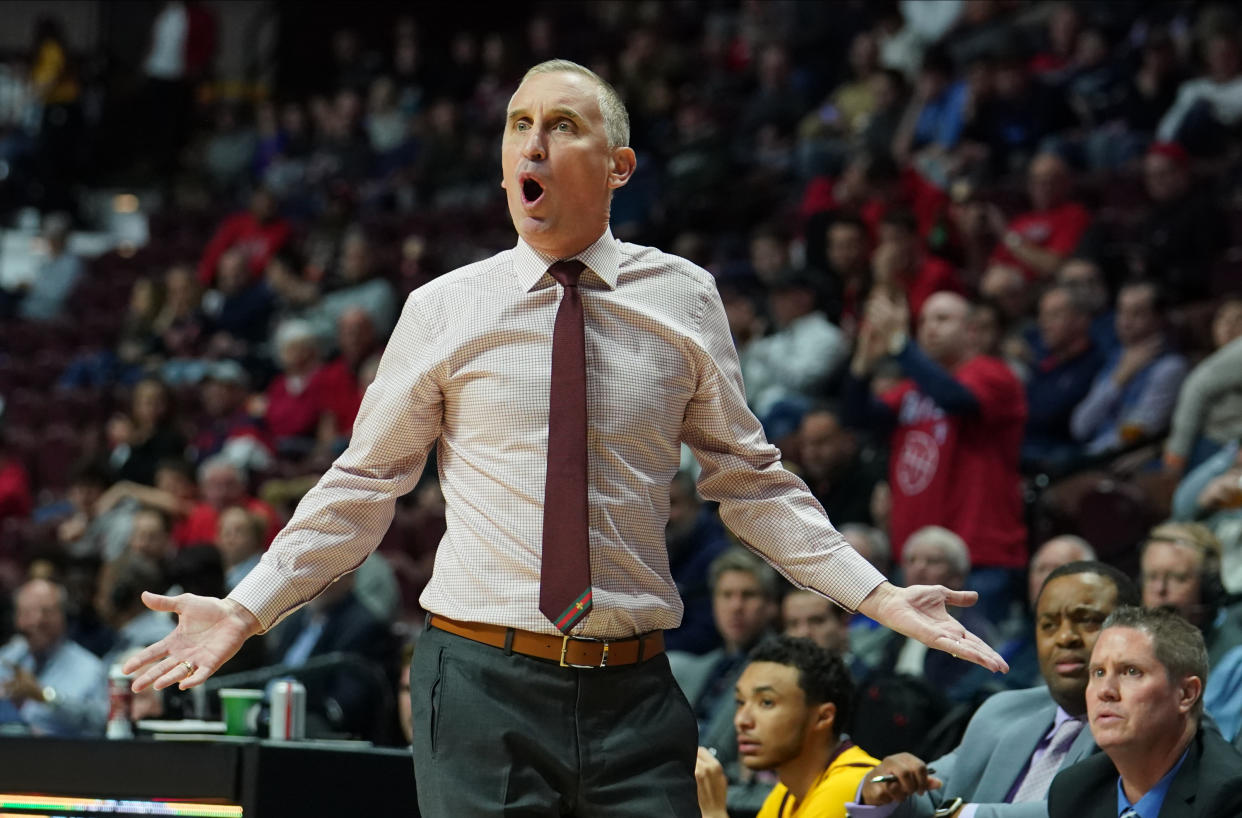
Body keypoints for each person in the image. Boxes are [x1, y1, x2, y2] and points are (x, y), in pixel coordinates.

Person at [124, 59, 1005, 816]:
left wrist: (877, 594)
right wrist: (245, 609)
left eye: (561, 125)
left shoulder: (684, 297)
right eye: (518, 125)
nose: (531, 144)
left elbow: (753, 483)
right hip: (479, 680)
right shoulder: (443, 306)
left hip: (636, 689)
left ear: (618, 164)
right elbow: (364, 487)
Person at [852, 561, 1140, 818]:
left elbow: (1087, 810)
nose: (1065, 637)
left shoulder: (1144, 723)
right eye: (1048, 624)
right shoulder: (1003, 711)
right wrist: (883, 791)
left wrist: (963, 814)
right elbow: (929, 795)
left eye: (1087, 620)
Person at [846, 290, 1027, 623]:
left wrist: (900, 345)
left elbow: (957, 400)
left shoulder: (992, 373)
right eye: (924, 320)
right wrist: (863, 362)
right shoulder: (913, 389)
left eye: (943, 319)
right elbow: (857, 419)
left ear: (972, 331)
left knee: (975, 664)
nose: (929, 328)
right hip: (915, 560)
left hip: (977, 556)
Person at [1047, 606, 1242, 818]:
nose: (1105, 691)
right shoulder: (1074, 790)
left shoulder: (1230, 797)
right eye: (1098, 672)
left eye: (1131, 671)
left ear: (1186, 694)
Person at [695, 636, 880, 818]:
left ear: (823, 717)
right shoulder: (787, 791)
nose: (741, 720)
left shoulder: (848, 788)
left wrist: (714, 814)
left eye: (766, 702)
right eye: (740, 702)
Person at [1069, 280, 1186, 456]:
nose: (1125, 321)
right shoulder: (1117, 357)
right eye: (1122, 312)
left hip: (1119, 461)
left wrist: (1089, 458)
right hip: (1090, 454)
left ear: (1159, 318)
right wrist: (1118, 379)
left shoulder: (1170, 368)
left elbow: (1138, 433)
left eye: (1137, 314)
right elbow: (1080, 426)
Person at [0, 578, 108, 736]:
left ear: (63, 616)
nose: (37, 620)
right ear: (16, 618)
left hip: (64, 756)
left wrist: (45, 696)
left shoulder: (90, 668)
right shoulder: (6, 658)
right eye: (27, 612)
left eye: (46, 612)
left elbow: (101, 722)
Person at [1138, 522, 1242, 668]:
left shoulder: (1235, 660)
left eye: (1178, 578)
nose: (1160, 589)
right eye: (1152, 577)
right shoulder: (1130, 648)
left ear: (1208, 589)